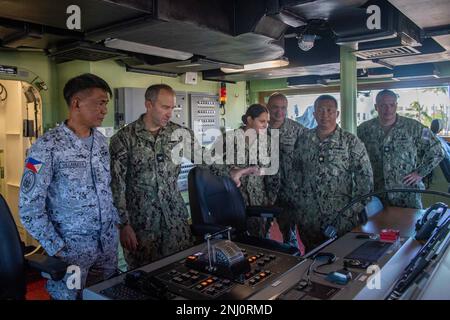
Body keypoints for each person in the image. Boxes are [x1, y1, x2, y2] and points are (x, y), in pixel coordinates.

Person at [19, 73, 119, 300]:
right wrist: (56, 246)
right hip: (71, 253)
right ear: (76, 103)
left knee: (104, 296)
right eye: (99, 103)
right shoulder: (46, 147)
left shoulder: (102, 143)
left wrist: (117, 224)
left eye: (106, 104)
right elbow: (29, 207)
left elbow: (106, 189)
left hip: (106, 248)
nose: (104, 110)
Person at [110, 84, 198, 269]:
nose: (170, 113)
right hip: (142, 226)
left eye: (173, 108)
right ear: (148, 105)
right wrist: (123, 225)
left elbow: (204, 158)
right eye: (165, 107)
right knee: (144, 279)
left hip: (176, 223)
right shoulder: (124, 138)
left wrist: (234, 171)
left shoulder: (179, 134)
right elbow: (116, 186)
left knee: (181, 273)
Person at [293, 95, 373, 251]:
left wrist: (352, 210)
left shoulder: (351, 142)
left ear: (337, 114)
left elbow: (366, 180)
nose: (325, 115)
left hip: (340, 217)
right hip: (309, 218)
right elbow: (296, 174)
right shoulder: (303, 140)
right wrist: (299, 205)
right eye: (320, 111)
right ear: (314, 114)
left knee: (341, 259)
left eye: (329, 110)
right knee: (311, 258)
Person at [357, 90, 444, 208]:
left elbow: (437, 151)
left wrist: (419, 173)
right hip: (378, 194)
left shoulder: (416, 128)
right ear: (376, 107)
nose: (387, 109)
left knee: (411, 225)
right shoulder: (363, 130)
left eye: (391, 105)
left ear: (396, 106)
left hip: (407, 193)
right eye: (383, 105)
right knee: (380, 226)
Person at [207, 104, 280, 238]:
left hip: (259, 201)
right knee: (234, 240)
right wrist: (232, 171)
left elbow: (273, 174)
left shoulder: (268, 142)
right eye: (262, 121)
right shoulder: (228, 139)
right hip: (232, 199)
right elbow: (209, 164)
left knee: (260, 242)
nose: (266, 125)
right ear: (249, 120)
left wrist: (270, 200)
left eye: (267, 122)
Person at [266, 92, 307, 247]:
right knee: (261, 233)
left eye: (283, 107)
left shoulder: (298, 130)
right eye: (275, 107)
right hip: (263, 190)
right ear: (268, 107)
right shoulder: (259, 128)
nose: (279, 111)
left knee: (290, 235)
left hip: (289, 190)